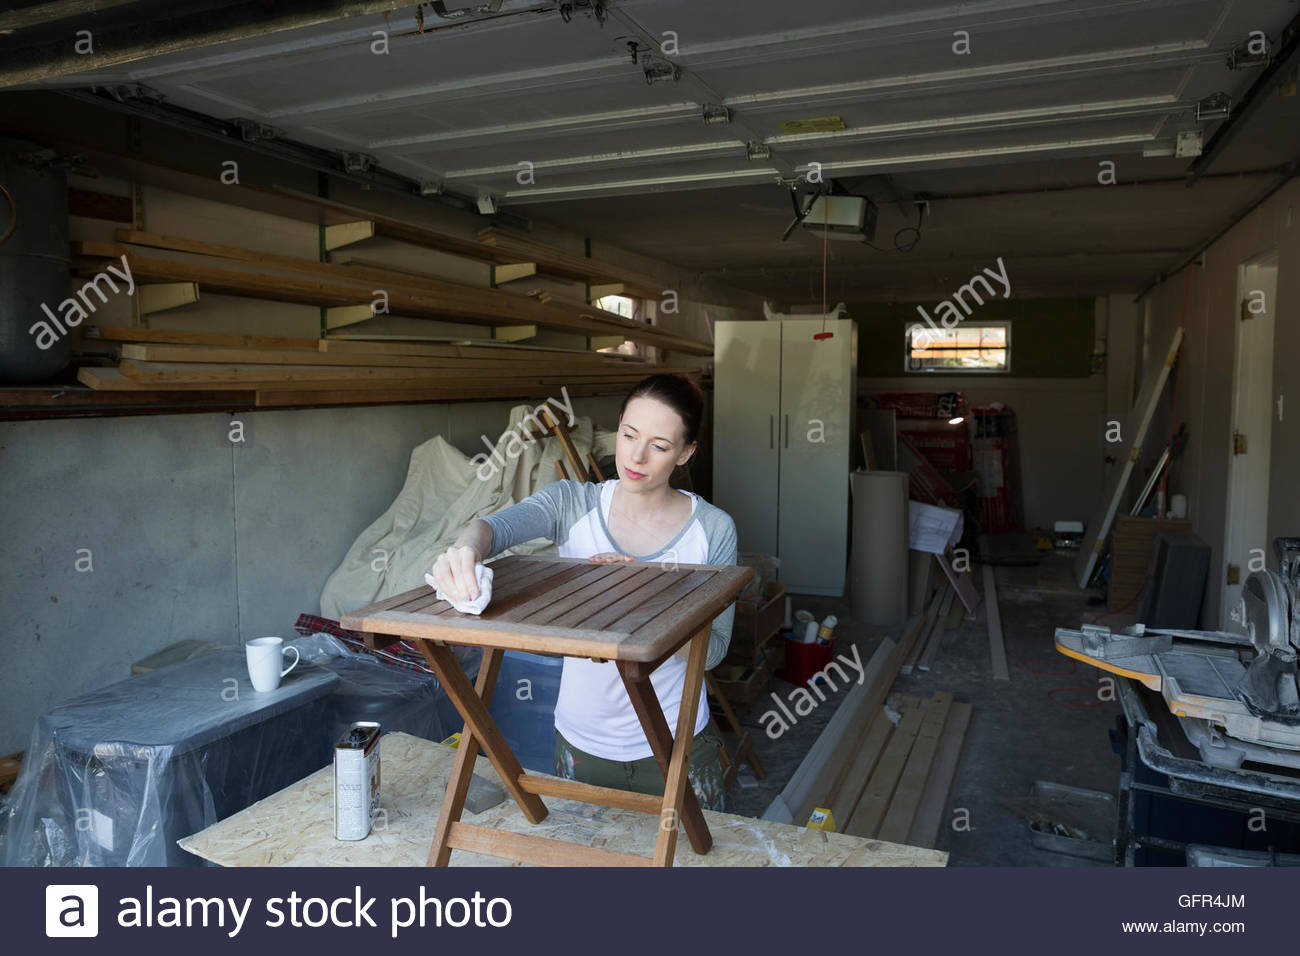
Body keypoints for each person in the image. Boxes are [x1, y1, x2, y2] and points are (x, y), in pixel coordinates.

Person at [428, 373, 738, 811]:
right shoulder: (572, 503)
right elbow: (494, 529)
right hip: (581, 747)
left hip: (678, 746)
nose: (637, 455)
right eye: (629, 435)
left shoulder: (712, 530)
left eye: (660, 446)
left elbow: (715, 651)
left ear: (686, 453)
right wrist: (464, 550)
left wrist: (647, 600)